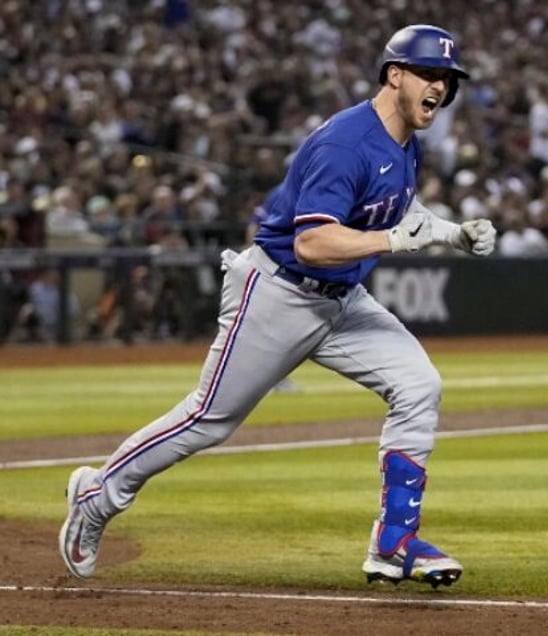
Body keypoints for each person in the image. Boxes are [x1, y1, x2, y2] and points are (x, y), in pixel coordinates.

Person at [59, 24, 496, 589]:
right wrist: (396, 242)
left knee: (419, 385)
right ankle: (98, 493)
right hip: (279, 292)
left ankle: (395, 542)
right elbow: (313, 242)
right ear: (395, 74)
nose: (441, 87)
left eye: (447, 79)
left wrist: (449, 233)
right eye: (430, 74)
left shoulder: (406, 142)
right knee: (208, 421)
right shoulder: (347, 141)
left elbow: (388, 216)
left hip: (342, 302)